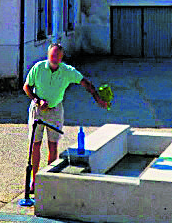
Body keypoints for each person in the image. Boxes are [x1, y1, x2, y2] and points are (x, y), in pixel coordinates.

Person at [22, 43, 108, 191]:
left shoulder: (67, 71)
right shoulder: (38, 68)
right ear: (48, 55)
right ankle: (34, 180)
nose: (54, 58)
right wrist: (37, 100)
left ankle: (48, 178)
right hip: (37, 110)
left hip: (55, 110)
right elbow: (27, 87)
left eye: (57, 56)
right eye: (52, 55)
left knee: (53, 145)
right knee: (35, 145)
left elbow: (85, 83)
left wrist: (98, 98)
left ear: (62, 57)